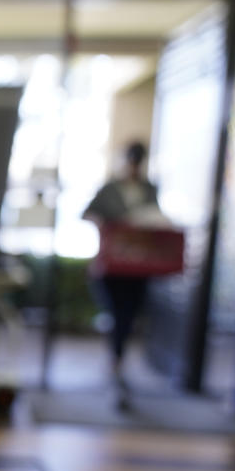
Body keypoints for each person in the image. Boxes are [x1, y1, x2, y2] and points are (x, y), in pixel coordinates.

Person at [83, 141, 162, 410]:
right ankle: (114, 362)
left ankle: (117, 361)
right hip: (112, 264)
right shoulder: (110, 189)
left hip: (138, 266)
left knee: (129, 314)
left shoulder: (149, 189)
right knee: (116, 312)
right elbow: (88, 213)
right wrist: (106, 225)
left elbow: (155, 218)